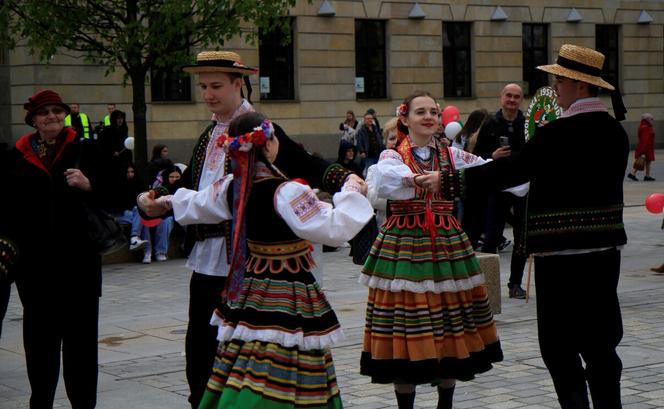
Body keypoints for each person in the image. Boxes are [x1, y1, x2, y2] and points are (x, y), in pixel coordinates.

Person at [138, 50, 362, 408]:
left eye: (216, 86)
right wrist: (159, 198)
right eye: (203, 86)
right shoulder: (211, 134)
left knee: (238, 351)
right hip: (207, 258)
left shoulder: (259, 131)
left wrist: (346, 178)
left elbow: (304, 161)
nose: (208, 94)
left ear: (238, 83)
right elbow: (198, 187)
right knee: (199, 347)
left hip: (245, 264)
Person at [464, 44, 629, 408]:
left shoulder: (558, 133)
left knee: (558, 348)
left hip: (560, 256)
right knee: (602, 346)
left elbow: (511, 171)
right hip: (603, 254)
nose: (555, 87)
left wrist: (450, 181)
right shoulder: (615, 132)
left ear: (578, 84)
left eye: (559, 80)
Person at [186, 112, 372, 409]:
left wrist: (162, 202)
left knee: (248, 355)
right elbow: (334, 228)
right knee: (286, 354)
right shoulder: (285, 190)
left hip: (252, 288)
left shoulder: (234, 186)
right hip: (287, 290)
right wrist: (350, 191)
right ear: (269, 143)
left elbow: (196, 204)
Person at [360, 91, 503, 409]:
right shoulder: (393, 155)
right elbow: (384, 182)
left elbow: (484, 170)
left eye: (434, 112)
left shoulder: (453, 154)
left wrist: (506, 165)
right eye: (420, 112)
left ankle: (445, 403)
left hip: (446, 245)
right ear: (405, 119)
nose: (429, 117)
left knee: (448, 320)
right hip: (405, 246)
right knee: (406, 321)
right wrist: (420, 178)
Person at [5, 89, 107, 407]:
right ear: (33, 119)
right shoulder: (16, 157)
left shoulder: (86, 149)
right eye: (44, 112)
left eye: (56, 111)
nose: (51, 116)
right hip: (35, 272)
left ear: (64, 115)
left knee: (81, 348)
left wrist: (91, 185)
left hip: (80, 267)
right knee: (40, 347)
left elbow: (122, 190)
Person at [473, 84, 529, 298]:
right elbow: (477, 154)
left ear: (521, 100)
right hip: (497, 187)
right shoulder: (490, 122)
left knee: (522, 238)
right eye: (508, 95)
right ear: (501, 97)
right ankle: (486, 286)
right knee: (491, 237)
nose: (512, 100)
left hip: (523, 188)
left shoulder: (527, 124)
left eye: (516, 97)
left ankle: (515, 284)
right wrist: (493, 154)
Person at [627, 113, 656, 181]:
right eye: (651, 119)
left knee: (647, 162)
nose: (652, 120)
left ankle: (646, 175)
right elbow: (644, 140)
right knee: (641, 161)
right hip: (646, 147)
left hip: (646, 147)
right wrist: (643, 152)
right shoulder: (645, 127)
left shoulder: (644, 126)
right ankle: (633, 173)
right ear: (647, 119)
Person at [356, 112, 384, 177]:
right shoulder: (361, 131)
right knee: (370, 171)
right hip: (368, 155)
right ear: (364, 120)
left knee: (378, 171)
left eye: (371, 118)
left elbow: (380, 138)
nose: (370, 120)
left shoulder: (376, 128)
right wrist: (362, 151)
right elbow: (359, 142)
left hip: (378, 154)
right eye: (368, 118)